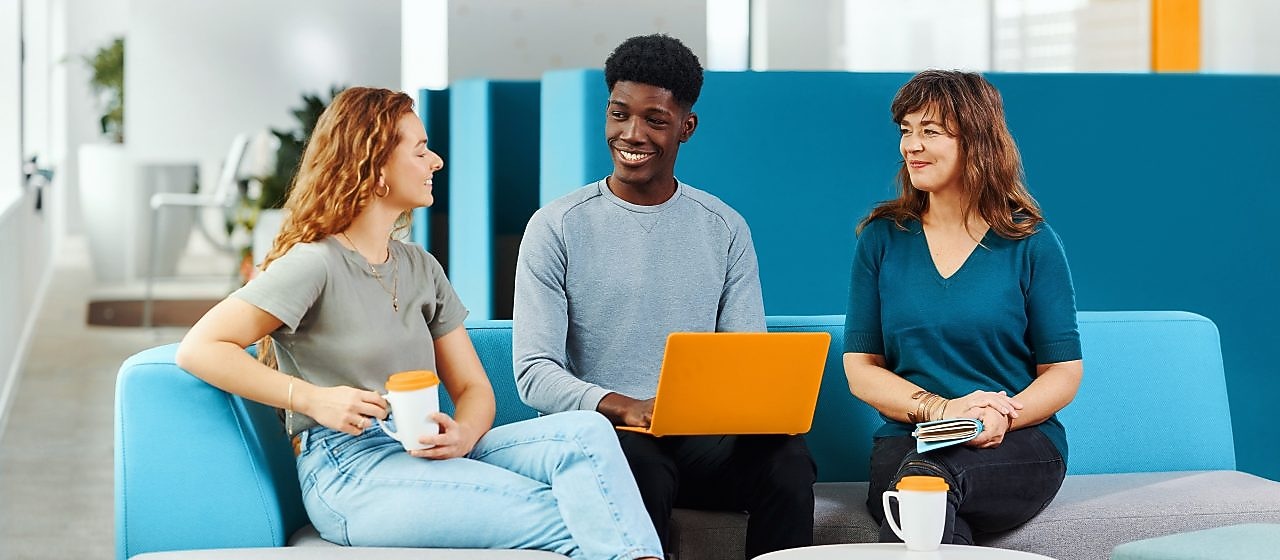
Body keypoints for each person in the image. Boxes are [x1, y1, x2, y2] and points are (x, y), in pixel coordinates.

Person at [175, 87, 662, 560]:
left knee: (586, 432)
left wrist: (463, 434)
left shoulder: (420, 267)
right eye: (421, 150)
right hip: (350, 470)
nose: (437, 161)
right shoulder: (315, 263)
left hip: (425, 447)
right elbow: (200, 347)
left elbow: (472, 388)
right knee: (573, 514)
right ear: (375, 167)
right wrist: (314, 399)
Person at [513, 34, 815, 558]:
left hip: (697, 442)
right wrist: (625, 407)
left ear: (686, 127)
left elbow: (745, 357)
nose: (631, 134)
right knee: (641, 465)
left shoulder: (724, 228)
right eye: (619, 114)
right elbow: (534, 373)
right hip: (604, 435)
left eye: (654, 120)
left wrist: (746, 408)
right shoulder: (556, 226)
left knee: (788, 462)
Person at [842, 70, 1084, 545]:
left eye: (930, 131)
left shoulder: (1031, 242)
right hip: (909, 440)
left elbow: (1063, 372)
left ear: (976, 141)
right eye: (906, 130)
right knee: (922, 484)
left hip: (1015, 441)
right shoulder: (881, 239)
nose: (911, 146)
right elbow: (861, 369)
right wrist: (944, 411)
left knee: (924, 487)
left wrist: (1001, 417)